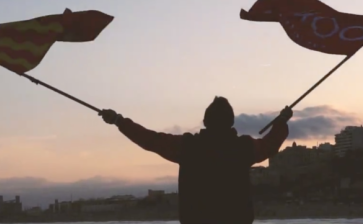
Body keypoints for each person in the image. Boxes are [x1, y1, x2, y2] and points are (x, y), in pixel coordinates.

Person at [99, 96, 292, 224]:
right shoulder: (243, 148)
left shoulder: (187, 146)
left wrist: (118, 121)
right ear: (231, 121)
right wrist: (281, 122)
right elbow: (270, 145)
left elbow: (149, 139)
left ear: (206, 122)